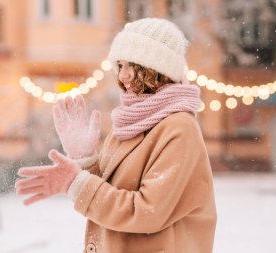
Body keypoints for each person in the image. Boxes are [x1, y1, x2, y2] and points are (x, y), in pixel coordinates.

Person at [15, 18, 217, 253]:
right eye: (120, 65)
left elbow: (146, 212)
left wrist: (75, 183)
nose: (123, 76)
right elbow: (112, 193)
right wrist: (86, 161)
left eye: (134, 65)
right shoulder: (130, 120)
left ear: (159, 69)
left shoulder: (180, 128)